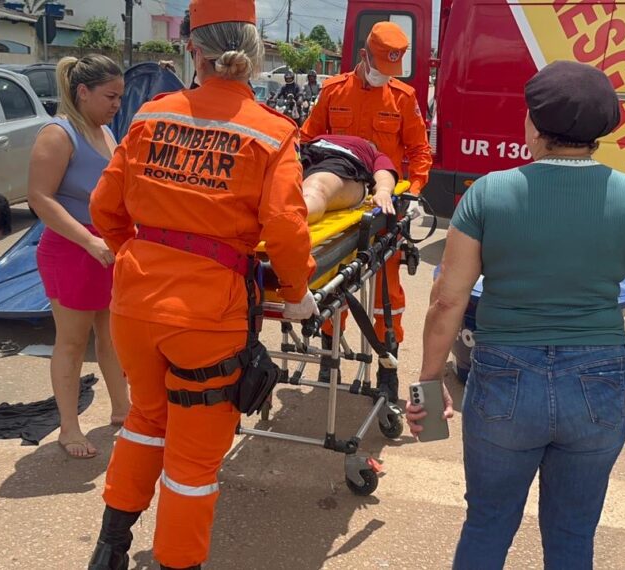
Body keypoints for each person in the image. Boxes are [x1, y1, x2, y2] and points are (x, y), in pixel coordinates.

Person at [410, 61, 625, 569]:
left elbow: (447, 301)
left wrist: (428, 385)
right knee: (573, 532)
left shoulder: (489, 193)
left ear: (533, 122)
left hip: (505, 378)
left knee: (488, 522)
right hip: (599, 379)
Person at [86, 1, 316, 568]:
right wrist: (296, 294)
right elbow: (285, 228)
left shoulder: (149, 115)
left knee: (145, 419)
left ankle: (110, 550)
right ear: (255, 51)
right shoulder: (270, 131)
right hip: (206, 317)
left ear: (194, 50)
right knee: (192, 463)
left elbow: (103, 207)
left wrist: (139, 261)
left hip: (135, 304)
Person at [301, 21, 432, 399]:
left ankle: (387, 364)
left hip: (383, 205)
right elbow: (307, 140)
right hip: (339, 203)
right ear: (364, 56)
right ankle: (329, 352)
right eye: (379, 68)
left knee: (387, 294)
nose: (383, 78)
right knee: (331, 282)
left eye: (391, 71)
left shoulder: (403, 98)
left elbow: (419, 152)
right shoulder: (332, 91)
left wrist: (416, 192)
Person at [27, 54, 131, 459]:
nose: (116, 105)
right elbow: (39, 198)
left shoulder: (104, 132)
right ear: (82, 92)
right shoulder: (58, 133)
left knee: (112, 337)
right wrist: (88, 242)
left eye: (120, 98)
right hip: (71, 249)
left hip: (106, 248)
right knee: (71, 342)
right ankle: (68, 428)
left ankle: (122, 410)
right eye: (110, 96)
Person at [301, 134, 398, 223]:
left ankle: (293, 216)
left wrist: (383, 191)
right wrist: (383, 191)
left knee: (316, 189)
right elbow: (383, 170)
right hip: (311, 149)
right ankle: (294, 215)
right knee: (316, 190)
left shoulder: (373, 153)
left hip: (335, 156)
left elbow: (384, 171)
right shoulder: (370, 150)